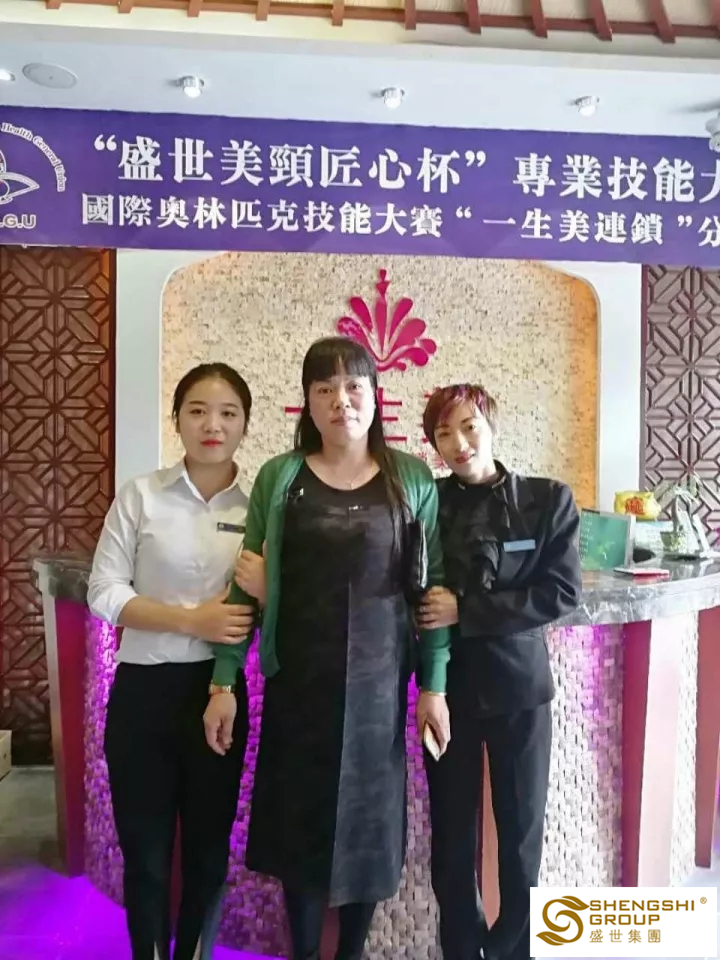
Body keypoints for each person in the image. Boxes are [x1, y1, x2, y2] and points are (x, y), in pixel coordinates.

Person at [203, 336, 452, 960]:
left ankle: (352, 953)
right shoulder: (280, 477)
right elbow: (246, 582)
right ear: (308, 404)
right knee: (301, 827)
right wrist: (224, 680)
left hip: (379, 690)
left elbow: (431, 591)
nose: (341, 401)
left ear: (376, 396)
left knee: (370, 829)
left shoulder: (411, 479)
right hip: (299, 686)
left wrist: (434, 685)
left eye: (354, 386)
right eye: (325, 389)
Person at [87, 362, 256, 960]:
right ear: (178, 418)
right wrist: (191, 621)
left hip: (219, 695)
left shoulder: (261, 508)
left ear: (245, 425)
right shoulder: (141, 495)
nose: (213, 425)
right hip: (143, 694)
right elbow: (104, 591)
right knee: (147, 855)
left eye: (228, 413)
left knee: (209, 854)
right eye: (198, 411)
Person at [417, 383, 582, 960]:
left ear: (490, 425)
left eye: (469, 426)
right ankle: (462, 950)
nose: (459, 443)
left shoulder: (547, 499)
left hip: (520, 692)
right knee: (451, 842)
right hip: (447, 694)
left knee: (520, 840)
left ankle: (514, 948)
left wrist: (467, 610)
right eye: (444, 433)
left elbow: (560, 592)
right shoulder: (427, 503)